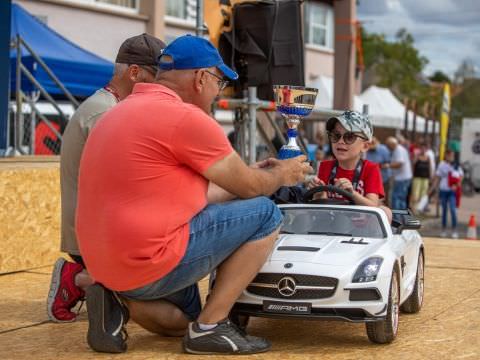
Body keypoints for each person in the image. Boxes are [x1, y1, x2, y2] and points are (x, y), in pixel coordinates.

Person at [76, 35, 312, 355]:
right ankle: (211, 328)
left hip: (105, 261)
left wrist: (248, 176)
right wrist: (282, 173)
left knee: (184, 320)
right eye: (219, 82)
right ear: (201, 78)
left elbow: (183, 193)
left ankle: (117, 299)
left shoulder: (119, 110)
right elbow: (252, 188)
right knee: (265, 213)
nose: (219, 92)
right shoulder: (186, 118)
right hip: (148, 260)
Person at [46, 34, 166, 323]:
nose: (162, 86)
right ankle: (77, 279)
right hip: (93, 239)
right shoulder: (104, 112)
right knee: (159, 296)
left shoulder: (111, 106)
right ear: (134, 72)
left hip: (99, 230)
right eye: (157, 78)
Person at [307, 111, 391, 221]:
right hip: (332, 226)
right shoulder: (325, 166)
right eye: (336, 136)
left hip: (362, 232)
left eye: (349, 137)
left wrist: (352, 194)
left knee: (386, 211)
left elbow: (373, 208)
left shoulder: (371, 168)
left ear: (365, 146)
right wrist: (318, 195)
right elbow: (322, 208)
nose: (341, 141)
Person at [431, 149, 463, 238]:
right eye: (449, 155)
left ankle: (454, 230)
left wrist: (456, 185)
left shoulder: (456, 165)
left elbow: (460, 177)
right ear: (446, 156)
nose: (451, 157)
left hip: (452, 191)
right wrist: (433, 189)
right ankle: (444, 230)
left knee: (453, 210)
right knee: (444, 211)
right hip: (443, 190)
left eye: (452, 155)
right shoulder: (442, 164)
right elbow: (437, 177)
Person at [385, 137, 413, 210]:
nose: (388, 148)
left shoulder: (398, 150)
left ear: (392, 144)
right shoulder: (398, 149)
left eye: (388, 145)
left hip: (402, 179)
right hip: (403, 178)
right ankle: (401, 217)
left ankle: (398, 218)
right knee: (401, 198)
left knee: (397, 198)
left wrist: (388, 165)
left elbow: (400, 163)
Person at [366, 137, 392, 206]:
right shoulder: (366, 150)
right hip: (371, 179)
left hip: (384, 178)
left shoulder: (383, 149)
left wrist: (380, 166)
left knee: (385, 199)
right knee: (374, 198)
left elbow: (389, 162)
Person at [410, 141, 431, 213]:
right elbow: (413, 165)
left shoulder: (428, 158)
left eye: (425, 148)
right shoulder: (417, 156)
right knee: (415, 194)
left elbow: (430, 168)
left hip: (425, 178)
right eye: (422, 148)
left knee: (423, 194)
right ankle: (414, 208)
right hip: (417, 177)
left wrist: (430, 178)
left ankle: (420, 208)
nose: (423, 150)